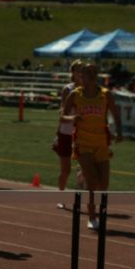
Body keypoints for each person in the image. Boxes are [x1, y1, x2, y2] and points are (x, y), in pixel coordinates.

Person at [61, 63, 123, 231]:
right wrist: (73, 117)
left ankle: (94, 207)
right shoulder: (75, 94)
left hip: (101, 143)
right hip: (83, 142)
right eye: (88, 72)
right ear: (81, 75)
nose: (92, 74)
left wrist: (120, 132)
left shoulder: (105, 95)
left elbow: (116, 113)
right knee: (92, 180)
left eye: (95, 72)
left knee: (104, 184)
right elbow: (63, 116)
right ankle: (91, 214)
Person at [52, 59, 84, 193]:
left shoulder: (89, 89)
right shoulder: (68, 89)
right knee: (65, 170)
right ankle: (61, 195)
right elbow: (62, 113)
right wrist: (57, 134)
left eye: (84, 70)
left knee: (87, 167)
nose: (82, 73)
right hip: (66, 133)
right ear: (73, 73)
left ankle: (81, 185)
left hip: (82, 134)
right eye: (79, 70)